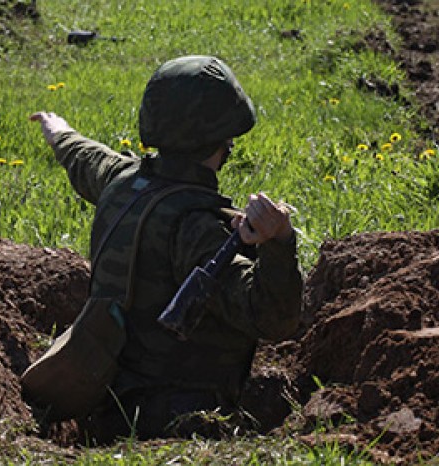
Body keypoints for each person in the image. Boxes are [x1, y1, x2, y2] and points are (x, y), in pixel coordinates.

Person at [30, 55, 302, 443]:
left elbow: (86, 158)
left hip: (104, 399)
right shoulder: (197, 227)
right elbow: (275, 320)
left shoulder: (121, 182)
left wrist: (58, 130)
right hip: (179, 424)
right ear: (224, 140)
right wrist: (279, 241)